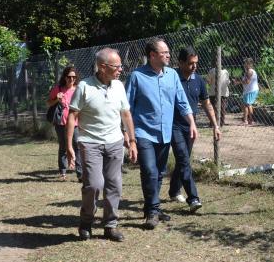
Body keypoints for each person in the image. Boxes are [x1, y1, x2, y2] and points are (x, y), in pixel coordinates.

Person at [66, 48, 137, 242]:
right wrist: (69, 145)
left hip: (114, 142)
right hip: (90, 143)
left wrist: (132, 141)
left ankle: (110, 225)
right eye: (117, 66)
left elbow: (126, 114)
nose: (121, 69)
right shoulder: (84, 87)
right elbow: (72, 115)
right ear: (103, 67)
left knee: (114, 185)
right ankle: (86, 221)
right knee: (95, 185)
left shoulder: (119, 86)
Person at [126, 38, 197, 230]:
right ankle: (153, 210)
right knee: (149, 170)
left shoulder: (172, 75)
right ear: (152, 55)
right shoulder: (137, 76)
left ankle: (152, 208)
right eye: (164, 52)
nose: (168, 55)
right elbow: (127, 107)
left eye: (168, 52)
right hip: (143, 132)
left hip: (165, 133)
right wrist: (127, 134)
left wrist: (191, 122)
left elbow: (182, 102)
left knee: (159, 173)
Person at [168, 47, 221, 213]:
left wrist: (215, 125)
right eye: (190, 63)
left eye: (196, 63)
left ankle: (174, 190)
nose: (194, 66)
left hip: (190, 127)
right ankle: (193, 198)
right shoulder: (171, 78)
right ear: (181, 62)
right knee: (184, 159)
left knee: (182, 160)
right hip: (173, 125)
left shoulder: (198, 80)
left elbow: (206, 104)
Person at [47, 66, 82, 182]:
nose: (71, 79)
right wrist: (56, 99)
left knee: (77, 145)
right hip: (61, 123)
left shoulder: (79, 90)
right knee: (63, 146)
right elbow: (49, 103)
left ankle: (80, 172)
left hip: (76, 123)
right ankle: (62, 171)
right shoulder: (58, 89)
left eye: (74, 77)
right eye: (69, 77)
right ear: (65, 77)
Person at [240, 58, 259, 125]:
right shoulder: (248, 71)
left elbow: (247, 82)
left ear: (249, 64)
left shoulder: (250, 71)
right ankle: (248, 120)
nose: (244, 65)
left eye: (245, 63)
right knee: (246, 104)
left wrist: (238, 82)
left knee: (247, 104)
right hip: (248, 91)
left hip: (251, 90)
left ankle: (247, 120)